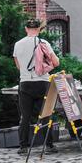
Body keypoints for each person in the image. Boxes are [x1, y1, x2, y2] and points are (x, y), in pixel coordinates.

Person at [13, 19, 60, 155]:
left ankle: (23, 146)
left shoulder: (18, 44)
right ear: (39, 29)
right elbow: (56, 62)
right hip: (42, 82)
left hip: (25, 83)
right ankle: (49, 145)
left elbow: (18, 66)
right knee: (45, 115)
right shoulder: (44, 43)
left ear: (26, 29)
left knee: (25, 116)